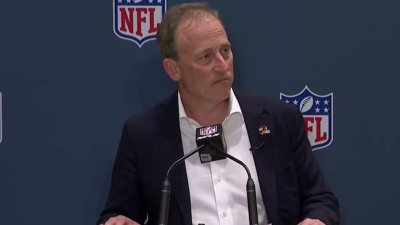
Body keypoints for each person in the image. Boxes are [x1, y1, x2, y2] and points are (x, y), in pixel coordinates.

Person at [98, 2, 339, 225]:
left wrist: (317, 220)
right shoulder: (144, 135)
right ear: (173, 69)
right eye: (206, 57)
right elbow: (119, 213)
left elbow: (320, 200)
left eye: (225, 51)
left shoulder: (279, 120)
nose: (223, 66)